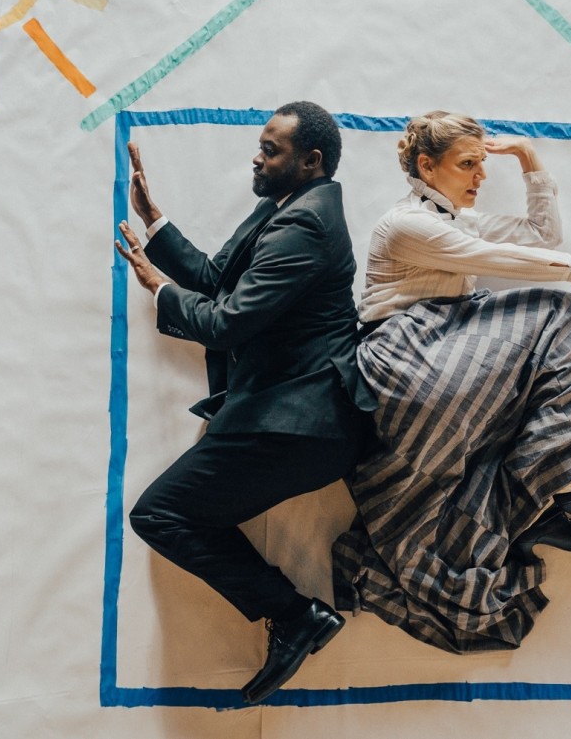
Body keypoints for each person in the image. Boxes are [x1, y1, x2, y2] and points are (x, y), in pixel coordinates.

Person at [331, 111, 571, 653]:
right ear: (426, 166)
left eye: (482, 163)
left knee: (515, 411)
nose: (480, 175)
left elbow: (539, 235)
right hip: (404, 352)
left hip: (444, 343)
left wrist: (528, 157)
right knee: (560, 312)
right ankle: (558, 481)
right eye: (467, 164)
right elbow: (489, 257)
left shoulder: (456, 219)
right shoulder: (405, 224)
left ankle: (545, 502)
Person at [115, 101, 376, 704]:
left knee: (158, 515)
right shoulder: (282, 207)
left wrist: (158, 288)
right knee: (164, 514)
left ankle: (296, 615)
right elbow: (217, 279)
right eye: (260, 146)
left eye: (270, 150)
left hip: (302, 423)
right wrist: (155, 222)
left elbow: (226, 323)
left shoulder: (307, 226)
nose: (256, 158)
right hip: (281, 418)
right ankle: (295, 615)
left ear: (310, 161)